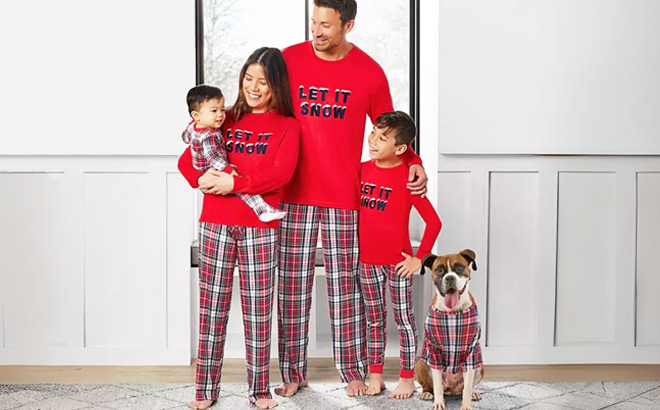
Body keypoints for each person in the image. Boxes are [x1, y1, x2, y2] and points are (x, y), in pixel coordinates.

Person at [276, 0, 429, 397]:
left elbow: (392, 132)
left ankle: (354, 372)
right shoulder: (288, 60)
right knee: (293, 287)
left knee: (346, 289)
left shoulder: (370, 72)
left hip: (346, 196)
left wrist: (415, 162)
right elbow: (264, 109)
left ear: (349, 25)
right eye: (314, 23)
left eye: (326, 25)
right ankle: (293, 372)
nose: (317, 32)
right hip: (293, 193)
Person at [178, 47, 300, 410]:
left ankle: (259, 390)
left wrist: (237, 184)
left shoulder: (287, 126)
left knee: (258, 311)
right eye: (248, 78)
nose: (254, 87)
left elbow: (282, 174)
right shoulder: (223, 117)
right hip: (215, 224)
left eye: (262, 81)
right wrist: (202, 180)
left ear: (276, 84)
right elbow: (187, 160)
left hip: (260, 228)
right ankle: (205, 390)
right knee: (212, 308)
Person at [358, 111, 441, 399]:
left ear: (401, 148)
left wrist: (419, 258)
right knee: (374, 319)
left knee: (404, 320)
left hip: (398, 263)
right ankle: (376, 374)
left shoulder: (408, 179)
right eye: (373, 133)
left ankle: (407, 378)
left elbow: (434, 221)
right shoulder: (361, 170)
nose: (373, 140)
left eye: (383, 138)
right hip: (366, 262)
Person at [181, 85, 286, 223]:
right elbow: (213, 158)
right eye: (214, 111)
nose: (220, 115)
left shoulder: (195, 127)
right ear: (196, 115)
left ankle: (264, 210)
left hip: (210, 173)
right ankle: (263, 210)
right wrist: (230, 172)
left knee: (240, 188)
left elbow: (185, 137)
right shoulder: (208, 135)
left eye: (222, 109)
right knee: (244, 191)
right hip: (214, 172)